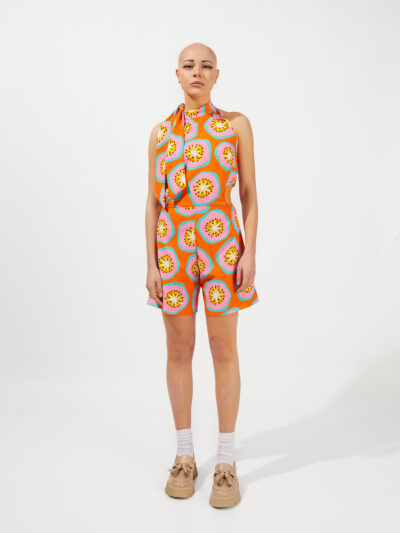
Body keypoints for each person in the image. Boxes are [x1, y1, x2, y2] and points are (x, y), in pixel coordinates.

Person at [145, 42, 260, 508]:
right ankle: (185, 456)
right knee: (179, 348)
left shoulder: (235, 126)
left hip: (222, 249)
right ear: (177, 74)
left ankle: (226, 463)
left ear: (217, 75)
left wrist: (249, 253)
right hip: (172, 250)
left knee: (222, 347)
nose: (197, 71)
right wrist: (151, 262)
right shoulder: (159, 134)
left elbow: (249, 194)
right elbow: (153, 202)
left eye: (206, 65)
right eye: (189, 65)